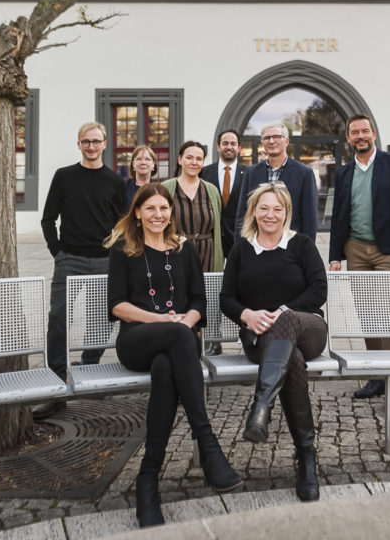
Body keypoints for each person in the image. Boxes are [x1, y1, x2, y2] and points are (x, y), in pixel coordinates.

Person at [106, 183, 243, 528]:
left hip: (176, 344)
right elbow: (118, 306)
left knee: (167, 367)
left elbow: (198, 300)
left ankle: (147, 481)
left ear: (171, 213)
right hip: (137, 340)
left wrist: (187, 320)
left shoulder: (184, 249)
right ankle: (207, 442)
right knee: (178, 338)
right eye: (150, 209)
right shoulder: (124, 250)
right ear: (137, 212)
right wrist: (166, 321)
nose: (158, 215)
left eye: (164, 209)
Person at [221, 182, 327, 502]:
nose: (270, 214)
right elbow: (227, 298)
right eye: (264, 208)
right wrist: (248, 315)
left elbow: (318, 290)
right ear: (254, 211)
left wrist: (283, 311)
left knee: (288, 321)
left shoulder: (302, 245)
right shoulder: (241, 249)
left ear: (286, 213)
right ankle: (306, 459)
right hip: (260, 338)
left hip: (307, 328)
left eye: (277, 209)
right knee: (291, 360)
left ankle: (261, 407)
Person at [329, 113, 390, 416]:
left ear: (374, 134)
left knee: (388, 313)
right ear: (348, 139)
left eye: (365, 131)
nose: (360, 136)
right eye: (355, 132)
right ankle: (377, 376)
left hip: (387, 251)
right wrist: (335, 256)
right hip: (355, 249)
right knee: (366, 313)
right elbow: (339, 214)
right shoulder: (343, 173)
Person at [36, 121, 125, 419]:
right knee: (58, 318)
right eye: (85, 141)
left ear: (104, 144)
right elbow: (48, 219)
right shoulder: (64, 177)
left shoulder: (114, 181)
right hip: (69, 259)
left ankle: (88, 369)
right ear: (79, 144)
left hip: (104, 261)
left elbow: (123, 223)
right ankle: (56, 383)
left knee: (101, 319)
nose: (91, 146)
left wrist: (116, 252)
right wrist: (57, 252)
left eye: (96, 141)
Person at [201, 129, 246, 356]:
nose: (229, 146)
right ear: (218, 147)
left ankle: (245, 337)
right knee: (211, 288)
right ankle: (213, 340)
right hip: (212, 239)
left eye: (233, 143)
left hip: (240, 239)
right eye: (225, 143)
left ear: (239, 147)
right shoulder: (204, 172)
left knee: (243, 287)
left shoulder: (248, 173)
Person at [235, 122, 318, 241]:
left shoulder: (304, 174)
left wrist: (306, 252)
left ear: (287, 141)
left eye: (277, 137)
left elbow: (310, 219)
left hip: (291, 246)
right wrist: (239, 248)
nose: (272, 141)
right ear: (262, 142)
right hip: (257, 246)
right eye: (267, 138)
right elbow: (243, 213)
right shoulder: (251, 173)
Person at [161, 140, 224, 272]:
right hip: (175, 253)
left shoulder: (212, 190)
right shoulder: (166, 188)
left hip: (208, 256)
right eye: (189, 157)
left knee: (206, 291)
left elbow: (217, 227)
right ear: (180, 159)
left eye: (199, 159)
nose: (194, 162)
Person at [125, 145, 157, 211]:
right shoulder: (124, 187)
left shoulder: (159, 189)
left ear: (153, 163)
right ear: (133, 163)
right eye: (139, 159)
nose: (143, 162)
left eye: (147, 159)